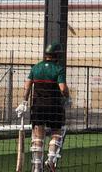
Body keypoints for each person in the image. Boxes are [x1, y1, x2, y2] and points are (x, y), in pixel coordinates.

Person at [19, 43, 69, 172]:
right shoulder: (59, 69)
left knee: (37, 138)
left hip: (37, 107)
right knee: (58, 133)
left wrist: (24, 102)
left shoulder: (36, 68)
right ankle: (51, 159)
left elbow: (27, 86)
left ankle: (37, 168)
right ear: (57, 55)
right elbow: (63, 88)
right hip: (54, 107)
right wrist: (68, 98)